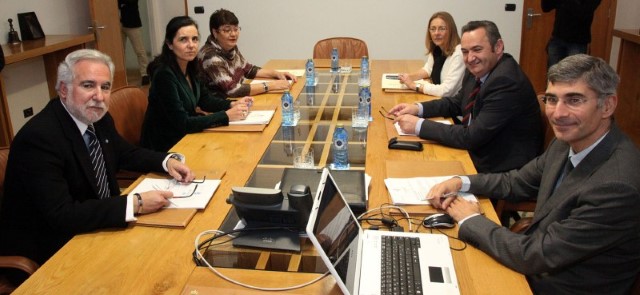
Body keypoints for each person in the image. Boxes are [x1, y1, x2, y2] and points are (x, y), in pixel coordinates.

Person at [427, 54, 640, 294]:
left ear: (608, 105)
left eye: (574, 100)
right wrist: (461, 181)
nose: (557, 114)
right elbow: (516, 182)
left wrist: (470, 219)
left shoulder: (616, 186)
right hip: (536, 262)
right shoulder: (569, 140)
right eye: (552, 99)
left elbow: (535, 255)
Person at [0, 49, 196, 274]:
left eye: (105, 87)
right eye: (88, 85)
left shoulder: (96, 117)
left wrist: (166, 161)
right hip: (53, 250)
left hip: (95, 225)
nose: (99, 96)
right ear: (64, 89)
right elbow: (62, 215)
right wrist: (135, 203)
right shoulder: (39, 138)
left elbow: (124, 153)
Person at [389, 20, 542, 173]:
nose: (470, 58)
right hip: (477, 150)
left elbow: (471, 137)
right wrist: (417, 108)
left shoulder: (506, 81)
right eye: (465, 51)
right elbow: (457, 102)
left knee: (415, 169)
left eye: (477, 49)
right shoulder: (478, 69)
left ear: (498, 47)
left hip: (499, 168)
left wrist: (418, 125)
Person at [141, 16, 252, 152]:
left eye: (194, 39)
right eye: (183, 40)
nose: (191, 45)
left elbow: (205, 99)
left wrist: (232, 104)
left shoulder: (191, 66)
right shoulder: (164, 75)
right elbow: (183, 123)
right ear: (169, 44)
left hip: (186, 137)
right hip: (166, 146)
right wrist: (226, 115)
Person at [197, 8, 297, 98]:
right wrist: (272, 85)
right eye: (227, 30)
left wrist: (276, 74)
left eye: (236, 29)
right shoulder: (210, 57)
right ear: (215, 32)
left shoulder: (229, 47)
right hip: (219, 106)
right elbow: (232, 90)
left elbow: (248, 69)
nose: (233, 34)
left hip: (236, 100)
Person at [398, 11, 465, 97]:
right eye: (433, 29)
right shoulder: (438, 48)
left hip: (453, 106)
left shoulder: (459, 54)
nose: (436, 33)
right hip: (439, 100)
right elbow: (428, 69)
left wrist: (414, 86)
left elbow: (446, 91)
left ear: (451, 31)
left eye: (442, 28)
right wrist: (409, 77)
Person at [542, 0, 601, 69]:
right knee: (553, 74)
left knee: (573, 74)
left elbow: (583, 13)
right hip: (557, 39)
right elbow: (545, 7)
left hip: (578, 43)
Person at [118, 0, 150, 85]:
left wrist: (122, 4)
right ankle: (120, 75)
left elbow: (130, 2)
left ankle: (145, 74)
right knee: (120, 51)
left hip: (132, 23)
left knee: (139, 50)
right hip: (117, 23)